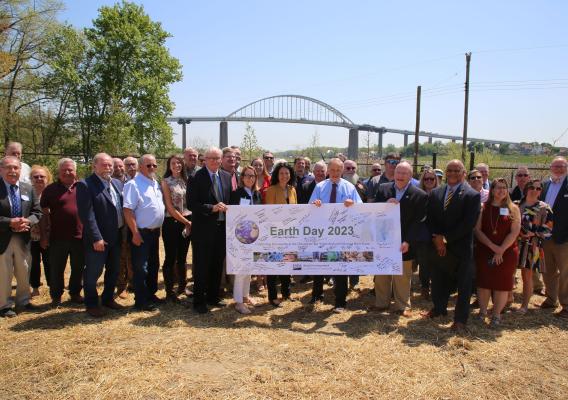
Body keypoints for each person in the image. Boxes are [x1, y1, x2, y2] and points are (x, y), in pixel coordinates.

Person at [424, 160, 481, 332]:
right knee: (439, 279)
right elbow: (430, 219)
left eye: (457, 170)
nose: (453, 173)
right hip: (438, 246)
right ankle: (439, 309)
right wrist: (436, 238)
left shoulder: (472, 195)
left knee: (464, 286)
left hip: (461, 247)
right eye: (450, 170)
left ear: (464, 173)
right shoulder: (435, 193)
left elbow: (468, 224)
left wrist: (445, 239)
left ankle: (460, 320)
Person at [370, 161, 427, 317]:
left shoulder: (420, 195)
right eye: (398, 173)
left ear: (410, 176)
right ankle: (381, 304)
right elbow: (374, 211)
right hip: (383, 240)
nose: (400, 176)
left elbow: (419, 221)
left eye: (404, 173)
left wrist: (408, 241)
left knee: (402, 275)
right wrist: (385, 205)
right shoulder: (383, 189)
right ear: (394, 174)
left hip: (404, 242)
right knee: (382, 272)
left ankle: (402, 306)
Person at [308, 158, 362, 312]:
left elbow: (361, 208)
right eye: (332, 170)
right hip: (322, 232)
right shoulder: (319, 187)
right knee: (318, 263)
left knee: (340, 267)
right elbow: (310, 207)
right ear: (328, 171)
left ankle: (340, 302)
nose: (335, 173)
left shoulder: (349, 187)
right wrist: (315, 204)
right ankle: (317, 295)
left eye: (338, 170)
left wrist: (353, 204)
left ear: (342, 171)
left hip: (341, 233)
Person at [76, 153, 124, 317]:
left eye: (110, 165)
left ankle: (107, 298)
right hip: (98, 239)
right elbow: (87, 215)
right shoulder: (85, 185)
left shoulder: (116, 183)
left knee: (114, 270)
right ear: (94, 166)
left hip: (116, 236)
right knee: (93, 272)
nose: (108, 168)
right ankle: (91, 304)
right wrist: (97, 238)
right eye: (104, 165)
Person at [187, 147, 232, 314]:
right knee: (201, 266)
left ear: (221, 160)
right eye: (210, 158)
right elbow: (192, 204)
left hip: (222, 229)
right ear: (204, 160)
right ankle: (199, 301)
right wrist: (211, 208)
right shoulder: (195, 177)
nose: (214, 161)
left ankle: (213, 296)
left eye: (217, 158)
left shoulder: (227, 177)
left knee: (216, 265)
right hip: (203, 230)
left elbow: (230, 200)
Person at [474, 178, 521, 326]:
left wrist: (501, 250)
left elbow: (514, 232)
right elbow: (477, 230)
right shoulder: (483, 207)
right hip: (485, 250)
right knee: (484, 283)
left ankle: (496, 314)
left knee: (502, 284)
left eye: (504, 187)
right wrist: (493, 247)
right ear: (492, 190)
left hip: (507, 252)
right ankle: (482, 312)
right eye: (498, 187)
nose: (501, 190)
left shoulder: (513, 208)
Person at [0, 156, 42, 318]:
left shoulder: (27, 188)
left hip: (23, 237)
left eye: (16, 168)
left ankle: (23, 301)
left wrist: (28, 221)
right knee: (4, 272)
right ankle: (4, 305)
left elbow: (37, 212)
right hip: (3, 238)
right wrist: (11, 222)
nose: (12, 171)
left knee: (24, 269)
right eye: (8, 168)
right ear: (1, 170)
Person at [123, 154, 165, 311]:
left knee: (154, 265)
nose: (152, 168)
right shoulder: (133, 185)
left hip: (154, 233)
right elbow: (128, 210)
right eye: (148, 166)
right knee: (141, 267)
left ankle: (150, 295)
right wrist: (135, 233)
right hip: (141, 233)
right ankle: (141, 301)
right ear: (140, 167)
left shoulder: (155, 183)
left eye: (154, 165)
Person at [40, 158, 85, 307]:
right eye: (64, 170)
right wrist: (44, 236)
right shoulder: (50, 190)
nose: (67, 172)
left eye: (70, 169)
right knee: (57, 268)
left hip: (80, 236)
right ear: (58, 172)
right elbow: (44, 215)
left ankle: (75, 293)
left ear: (75, 171)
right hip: (57, 238)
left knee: (78, 267)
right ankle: (56, 296)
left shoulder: (83, 187)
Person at [516, 179, 553, 314]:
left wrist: (534, 232)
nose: (535, 190)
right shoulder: (516, 204)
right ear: (526, 188)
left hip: (532, 246)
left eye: (538, 188)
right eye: (532, 187)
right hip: (513, 244)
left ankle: (524, 305)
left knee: (527, 276)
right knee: (509, 274)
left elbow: (549, 229)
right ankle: (507, 300)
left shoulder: (544, 208)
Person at [229, 166, 262, 314]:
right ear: (242, 178)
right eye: (247, 176)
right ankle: (238, 302)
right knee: (241, 269)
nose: (250, 178)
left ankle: (245, 296)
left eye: (253, 176)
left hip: (254, 236)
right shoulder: (236, 193)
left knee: (249, 268)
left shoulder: (257, 194)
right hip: (241, 237)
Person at [264, 162, 298, 307]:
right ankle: (272, 296)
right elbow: (269, 213)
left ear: (290, 175)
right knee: (273, 264)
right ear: (277, 175)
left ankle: (286, 293)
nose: (284, 176)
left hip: (290, 233)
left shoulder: (293, 190)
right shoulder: (271, 190)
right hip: (275, 233)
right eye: (281, 173)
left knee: (287, 263)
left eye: (287, 173)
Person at [539, 156, 568, 319]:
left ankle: (567, 305)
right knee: (548, 270)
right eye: (555, 166)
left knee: (565, 273)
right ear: (551, 168)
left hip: (564, 238)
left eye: (562, 166)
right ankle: (551, 299)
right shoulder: (545, 185)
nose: (558, 169)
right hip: (545, 236)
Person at [160, 154, 191, 302]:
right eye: (173, 163)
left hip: (187, 222)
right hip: (172, 223)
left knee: (183, 257)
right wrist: (187, 222)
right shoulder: (166, 182)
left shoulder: (186, 180)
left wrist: (189, 222)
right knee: (170, 257)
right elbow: (170, 208)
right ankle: (169, 291)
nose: (177, 165)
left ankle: (182, 287)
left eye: (179, 163)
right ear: (169, 165)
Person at [415, 167, 439, 299]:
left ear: (436, 180)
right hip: (423, 233)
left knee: (437, 261)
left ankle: (436, 287)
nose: (429, 181)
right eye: (426, 179)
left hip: (437, 233)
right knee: (424, 262)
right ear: (422, 180)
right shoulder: (418, 194)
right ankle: (425, 286)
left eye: (432, 178)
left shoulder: (442, 193)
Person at [29, 165, 52, 297]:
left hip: (49, 233)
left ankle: (52, 285)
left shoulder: (52, 192)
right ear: (31, 179)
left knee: (50, 261)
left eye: (41, 176)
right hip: (31, 235)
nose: (38, 179)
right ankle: (35, 287)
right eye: (35, 177)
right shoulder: (26, 192)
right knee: (34, 262)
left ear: (47, 178)